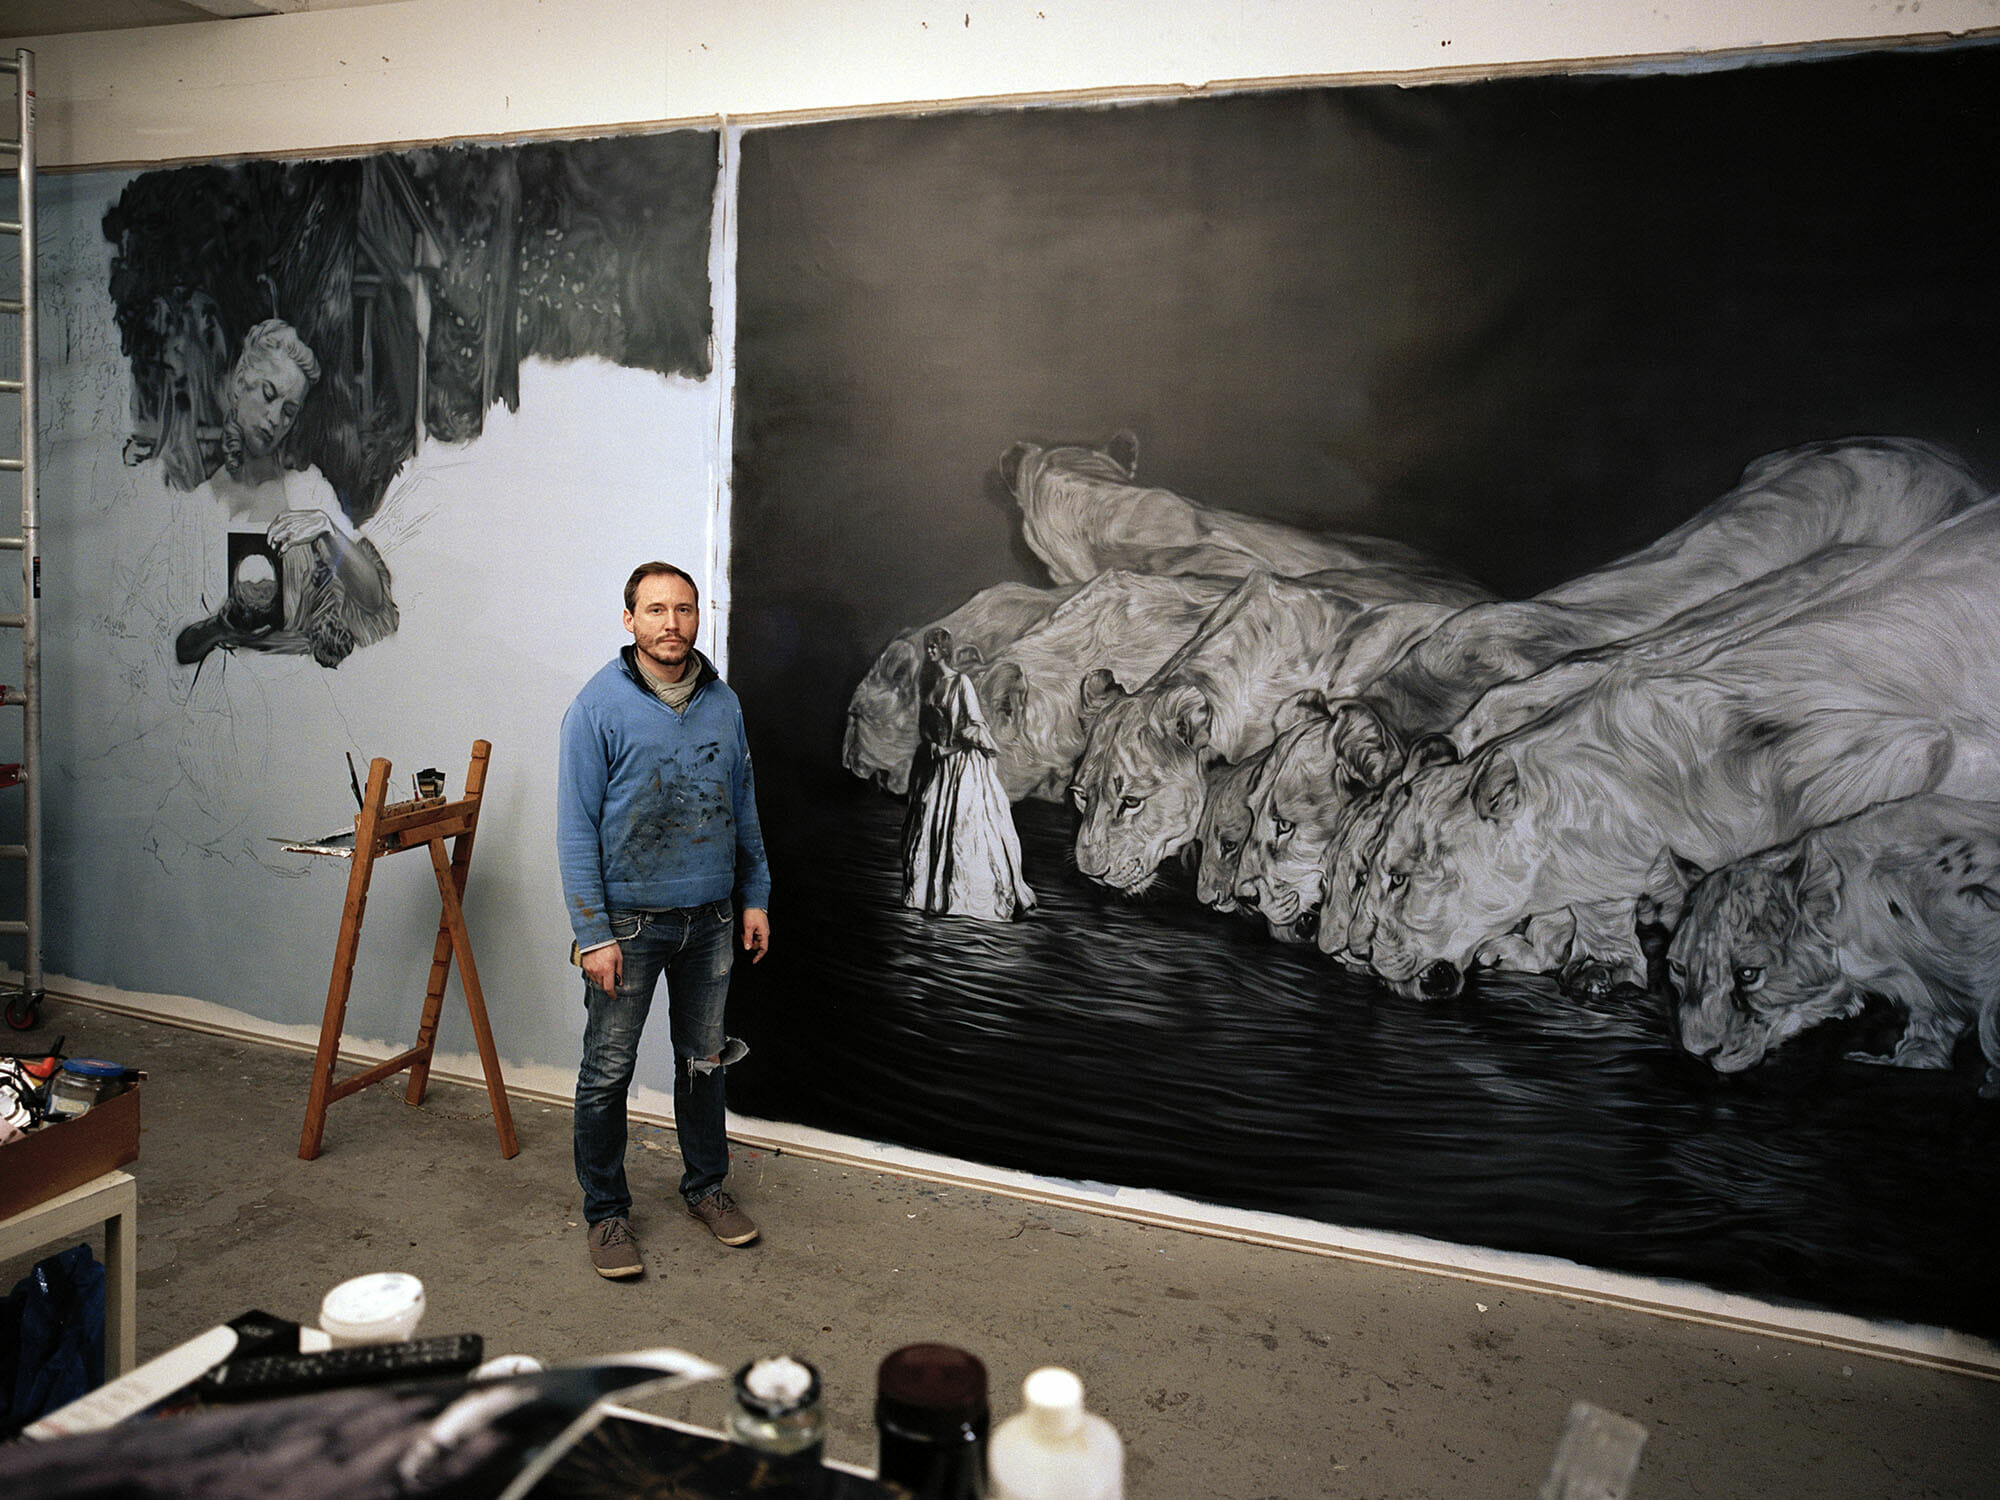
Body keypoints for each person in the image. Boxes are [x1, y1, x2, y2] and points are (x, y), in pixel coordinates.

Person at [557, 562, 773, 1280]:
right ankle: (606, 1214)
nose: (671, 623)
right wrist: (593, 934)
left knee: (703, 1063)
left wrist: (755, 895)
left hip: (711, 918)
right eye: (655, 610)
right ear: (630, 620)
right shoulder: (596, 707)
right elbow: (575, 830)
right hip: (627, 926)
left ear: (697, 617)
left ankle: (706, 1188)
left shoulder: (723, 702)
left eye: (683, 609)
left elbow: (744, 807)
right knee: (606, 1073)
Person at [172, 319, 398, 668]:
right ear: (240, 382)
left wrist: (327, 529)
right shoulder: (199, 505)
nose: (275, 418)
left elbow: (373, 599)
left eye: (289, 411)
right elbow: (178, 647)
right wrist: (222, 626)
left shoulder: (307, 488)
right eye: (268, 394)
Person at [902, 626, 1036, 921]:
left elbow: (976, 724)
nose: (930, 650)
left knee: (964, 829)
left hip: (962, 764)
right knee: (930, 824)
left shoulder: (960, 682)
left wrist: (950, 749)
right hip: (938, 765)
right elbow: (926, 725)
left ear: (945, 649)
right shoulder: (930, 684)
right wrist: (933, 746)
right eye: (928, 645)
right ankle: (931, 898)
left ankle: (970, 901)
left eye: (935, 646)